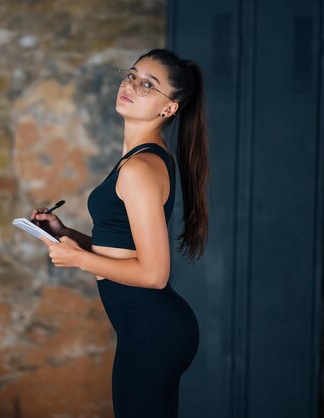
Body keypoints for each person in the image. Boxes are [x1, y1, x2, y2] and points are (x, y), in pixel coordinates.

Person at [29, 48, 209, 418]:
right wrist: (65, 233)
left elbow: (155, 275)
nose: (130, 85)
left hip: (153, 330)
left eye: (147, 85)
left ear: (169, 108)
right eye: (131, 75)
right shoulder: (136, 159)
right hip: (147, 328)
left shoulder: (141, 167)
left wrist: (78, 259)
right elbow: (120, 248)